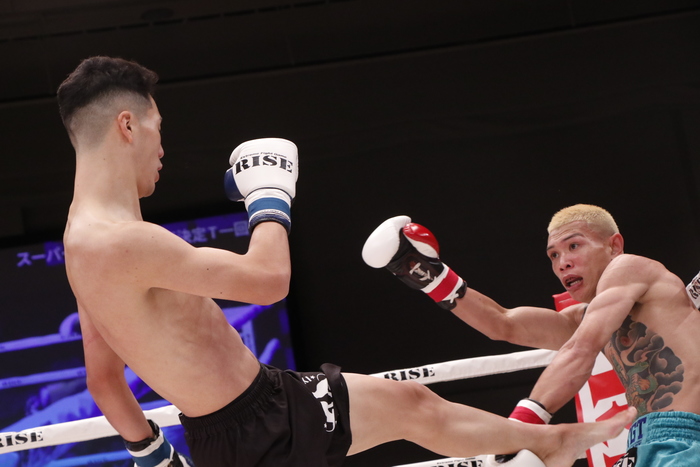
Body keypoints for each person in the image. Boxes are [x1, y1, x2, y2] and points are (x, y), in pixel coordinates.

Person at [57, 56, 634, 467]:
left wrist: (153, 455)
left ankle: (549, 444)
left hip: (244, 422)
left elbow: (103, 382)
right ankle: (551, 445)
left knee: (411, 404)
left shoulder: (81, 245)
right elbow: (267, 281)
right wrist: (270, 200)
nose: (162, 148)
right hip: (256, 423)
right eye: (157, 128)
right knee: (412, 408)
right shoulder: (122, 241)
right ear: (127, 125)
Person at [364, 205, 700, 466]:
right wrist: (428, 275)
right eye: (554, 255)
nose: (563, 263)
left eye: (574, 245)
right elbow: (503, 324)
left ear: (614, 246)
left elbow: (581, 348)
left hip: (686, 434)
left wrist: (522, 425)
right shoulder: (582, 317)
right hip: (645, 440)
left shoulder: (629, 268)